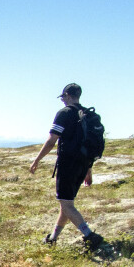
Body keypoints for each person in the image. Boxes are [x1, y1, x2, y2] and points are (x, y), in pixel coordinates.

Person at [29, 83, 104, 250]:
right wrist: (88, 170)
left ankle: (90, 236)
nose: (62, 100)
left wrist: (36, 160)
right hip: (83, 164)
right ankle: (52, 238)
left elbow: (51, 141)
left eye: (63, 97)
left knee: (66, 204)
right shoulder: (87, 114)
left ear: (68, 95)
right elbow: (87, 144)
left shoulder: (64, 113)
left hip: (68, 164)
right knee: (66, 203)